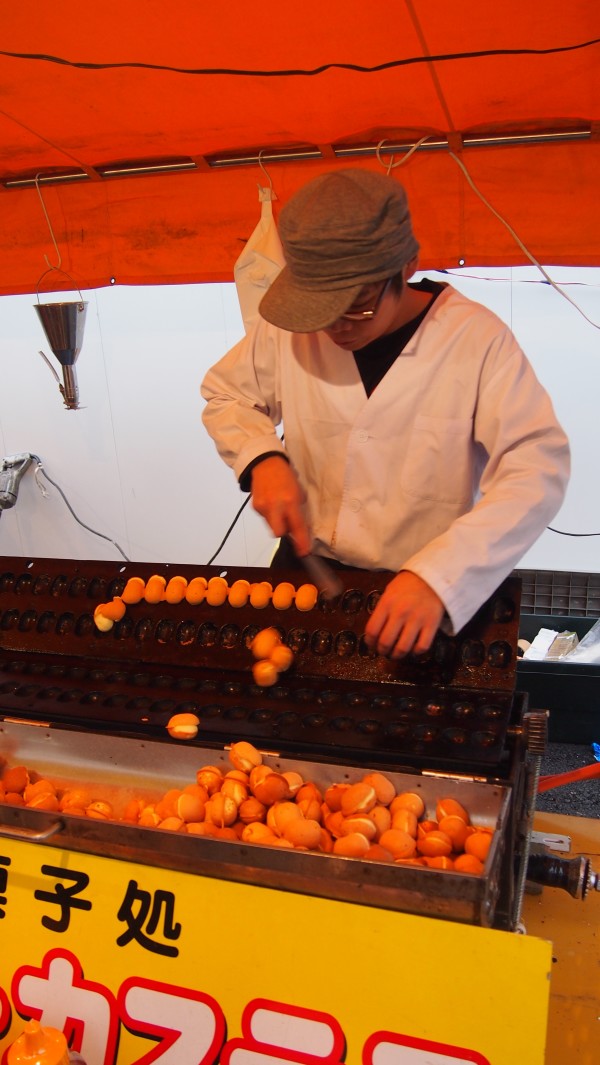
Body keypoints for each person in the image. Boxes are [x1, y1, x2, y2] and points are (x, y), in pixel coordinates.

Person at [201, 168, 570, 659]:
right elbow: (228, 394)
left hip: (422, 585)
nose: (335, 327)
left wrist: (440, 576)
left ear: (406, 266)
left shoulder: (475, 340)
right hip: (307, 567)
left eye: (357, 306)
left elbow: (535, 469)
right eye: (318, 309)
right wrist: (262, 457)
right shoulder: (292, 332)